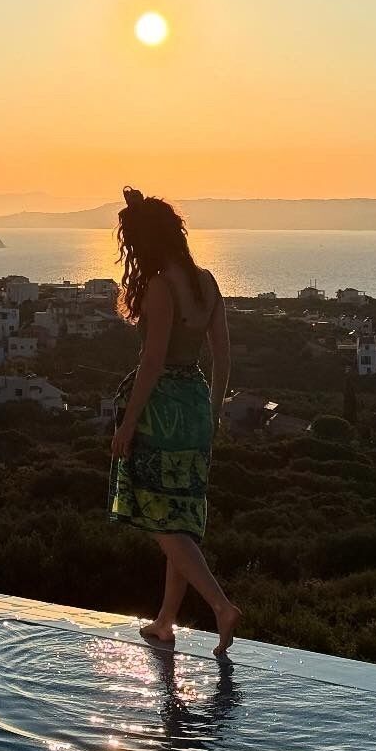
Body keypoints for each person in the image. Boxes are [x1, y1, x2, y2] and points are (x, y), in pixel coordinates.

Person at [107, 186, 241, 655]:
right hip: (197, 405)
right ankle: (166, 620)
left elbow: (152, 362)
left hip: (162, 410)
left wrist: (128, 424)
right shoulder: (208, 282)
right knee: (179, 515)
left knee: (158, 516)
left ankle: (220, 604)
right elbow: (222, 357)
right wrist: (215, 410)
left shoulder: (161, 287)